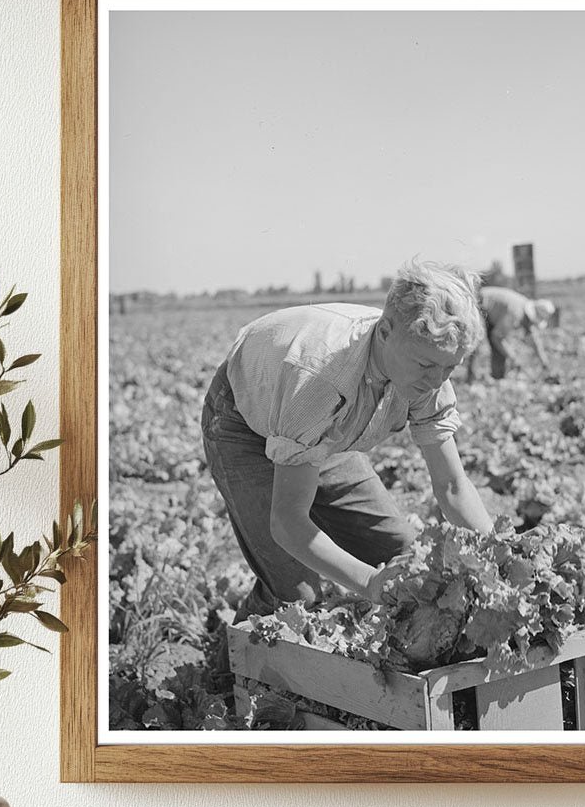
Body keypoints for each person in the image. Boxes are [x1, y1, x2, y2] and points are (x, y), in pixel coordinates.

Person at [201, 259, 494, 623]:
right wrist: (370, 583)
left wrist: (497, 558)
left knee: (406, 556)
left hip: (323, 435)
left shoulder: (426, 364)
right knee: (296, 596)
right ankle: (229, 667)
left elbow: (451, 485)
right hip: (245, 424)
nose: (437, 381)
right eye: (426, 367)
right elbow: (288, 521)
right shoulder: (319, 381)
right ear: (385, 332)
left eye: (450, 368)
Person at [473, 284, 559, 381]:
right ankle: (471, 379)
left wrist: (544, 362)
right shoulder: (515, 314)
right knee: (476, 342)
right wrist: (513, 357)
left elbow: (534, 339)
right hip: (479, 303)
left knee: (499, 349)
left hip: (490, 310)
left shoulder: (524, 307)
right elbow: (497, 337)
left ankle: (498, 377)